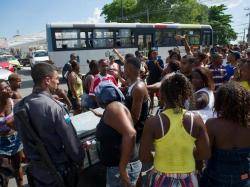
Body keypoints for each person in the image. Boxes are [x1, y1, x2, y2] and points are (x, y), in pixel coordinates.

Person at [14, 63, 84, 186]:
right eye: (56, 78)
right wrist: (80, 158)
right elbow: (71, 142)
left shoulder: (19, 106)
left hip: (37, 172)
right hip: (58, 172)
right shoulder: (55, 107)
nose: (58, 82)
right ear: (47, 80)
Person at [139, 73, 210, 187]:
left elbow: (143, 156)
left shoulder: (153, 122)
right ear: (187, 95)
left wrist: (159, 156)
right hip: (189, 179)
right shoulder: (196, 120)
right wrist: (186, 154)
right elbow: (205, 153)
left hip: (161, 179)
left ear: (161, 95)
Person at [200, 82, 250, 187]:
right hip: (243, 177)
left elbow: (206, 153)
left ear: (219, 102)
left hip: (215, 177)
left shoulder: (212, 124)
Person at [95, 82, 142, 187]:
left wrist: (122, 168)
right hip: (119, 167)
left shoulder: (113, 108)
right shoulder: (114, 109)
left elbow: (130, 134)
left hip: (121, 168)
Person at [0, 79, 24, 187]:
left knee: (17, 167)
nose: (8, 89)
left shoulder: (14, 101)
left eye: (8, 86)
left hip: (15, 139)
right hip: (1, 142)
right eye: (4, 88)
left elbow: (29, 102)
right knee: (3, 174)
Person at [124, 57, 150, 142]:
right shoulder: (132, 84)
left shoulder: (138, 88)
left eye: (124, 67)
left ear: (129, 69)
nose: (123, 70)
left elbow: (135, 118)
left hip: (137, 134)